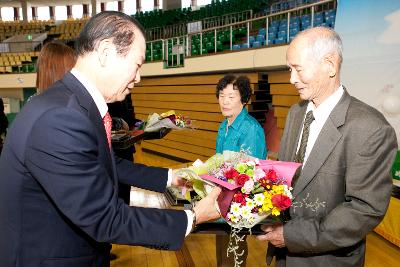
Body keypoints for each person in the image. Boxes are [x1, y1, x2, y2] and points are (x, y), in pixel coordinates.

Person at [0, 11, 221, 267]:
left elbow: (104, 164)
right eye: (137, 65)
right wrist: (193, 216)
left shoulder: (70, 105)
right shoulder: (61, 117)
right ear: (106, 52)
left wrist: (171, 176)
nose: (138, 78)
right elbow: (106, 218)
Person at [257, 27, 398, 267]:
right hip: (284, 255)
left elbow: (364, 209)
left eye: (298, 69)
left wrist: (292, 235)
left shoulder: (371, 128)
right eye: (290, 70)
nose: (291, 79)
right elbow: (285, 176)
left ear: (330, 65)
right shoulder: (295, 113)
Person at [215, 74, 267, 266]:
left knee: (233, 255)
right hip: (222, 198)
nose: (225, 101)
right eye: (221, 95)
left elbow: (248, 173)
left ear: (244, 100)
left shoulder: (250, 129)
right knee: (222, 252)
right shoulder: (224, 125)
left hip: (238, 201)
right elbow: (219, 162)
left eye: (231, 96)